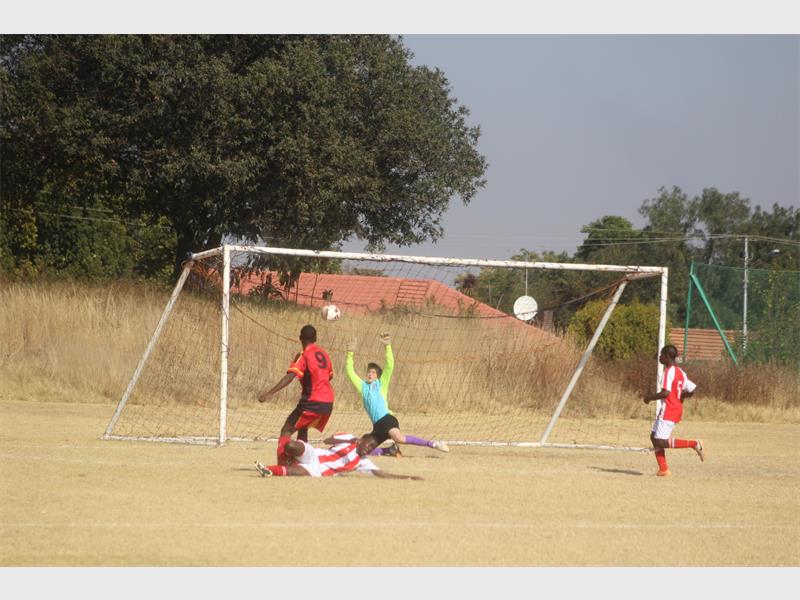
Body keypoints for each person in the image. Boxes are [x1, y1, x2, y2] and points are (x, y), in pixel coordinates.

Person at [345, 332, 449, 456]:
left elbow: (390, 365)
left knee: (398, 438)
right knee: (361, 450)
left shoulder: (381, 384)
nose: (369, 374)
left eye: (372, 372)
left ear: (378, 376)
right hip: (377, 426)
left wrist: (387, 346)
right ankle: (389, 450)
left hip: (387, 419)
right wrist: (350, 353)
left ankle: (434, 444)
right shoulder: (363, 387)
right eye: (368, 372)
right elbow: (350, 372)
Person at [258, 324, 334, 465]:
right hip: (328, 402)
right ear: (315, 338)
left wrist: (270, 393)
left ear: (300, 338)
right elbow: (329, 376)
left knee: (286, 430)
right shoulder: (324, 354)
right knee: (302, 427)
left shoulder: (303, 355)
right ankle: (302, 463)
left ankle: (283, 465)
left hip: (312, 401)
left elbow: (291, 376)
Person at [643, 345, 704, 477]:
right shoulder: (680, 372)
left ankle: (694, 444)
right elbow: (692, 389)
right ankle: (663, 469)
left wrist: (649, 398)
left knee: (660, 441)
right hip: (674, 409)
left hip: (669, 410)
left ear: (666, 356)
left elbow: (665, 393)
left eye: (661, 355)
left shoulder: (668, 371)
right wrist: (681, 396)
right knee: (654, 437)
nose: (659, 357)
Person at [254, 433, 424, 480]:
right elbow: (327, 440)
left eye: (372, 448)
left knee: (293, 472)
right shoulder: (349, 439)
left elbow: (381, 474)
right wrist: (349, 439)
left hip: (318, 470)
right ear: (361, 440)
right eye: (369, 445)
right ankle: (286, 456)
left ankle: (267, 469)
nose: (369, 449)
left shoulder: (361, 461)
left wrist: (407, 477)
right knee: (291, 446)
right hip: (315, 455)